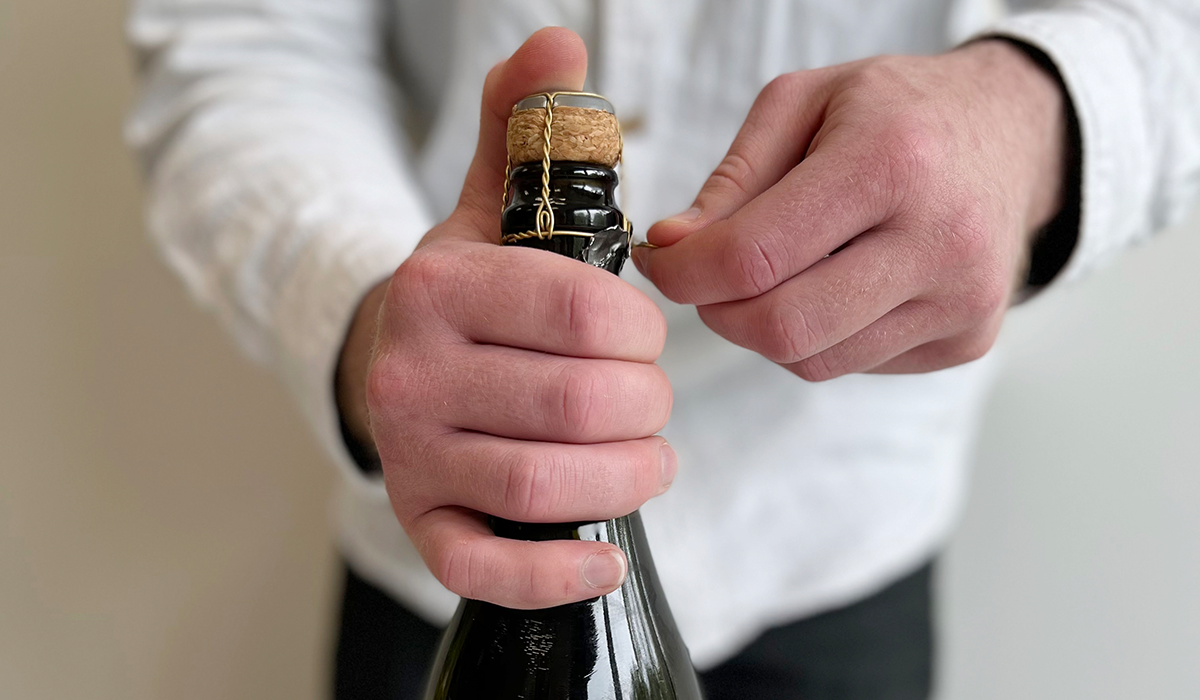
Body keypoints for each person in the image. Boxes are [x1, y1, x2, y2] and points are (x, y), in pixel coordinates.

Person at [125, 1, 1199, 698]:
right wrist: (361, 318)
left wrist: (1037, 117)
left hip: (834, 541)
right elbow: (247, 37)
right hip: (443, 538)